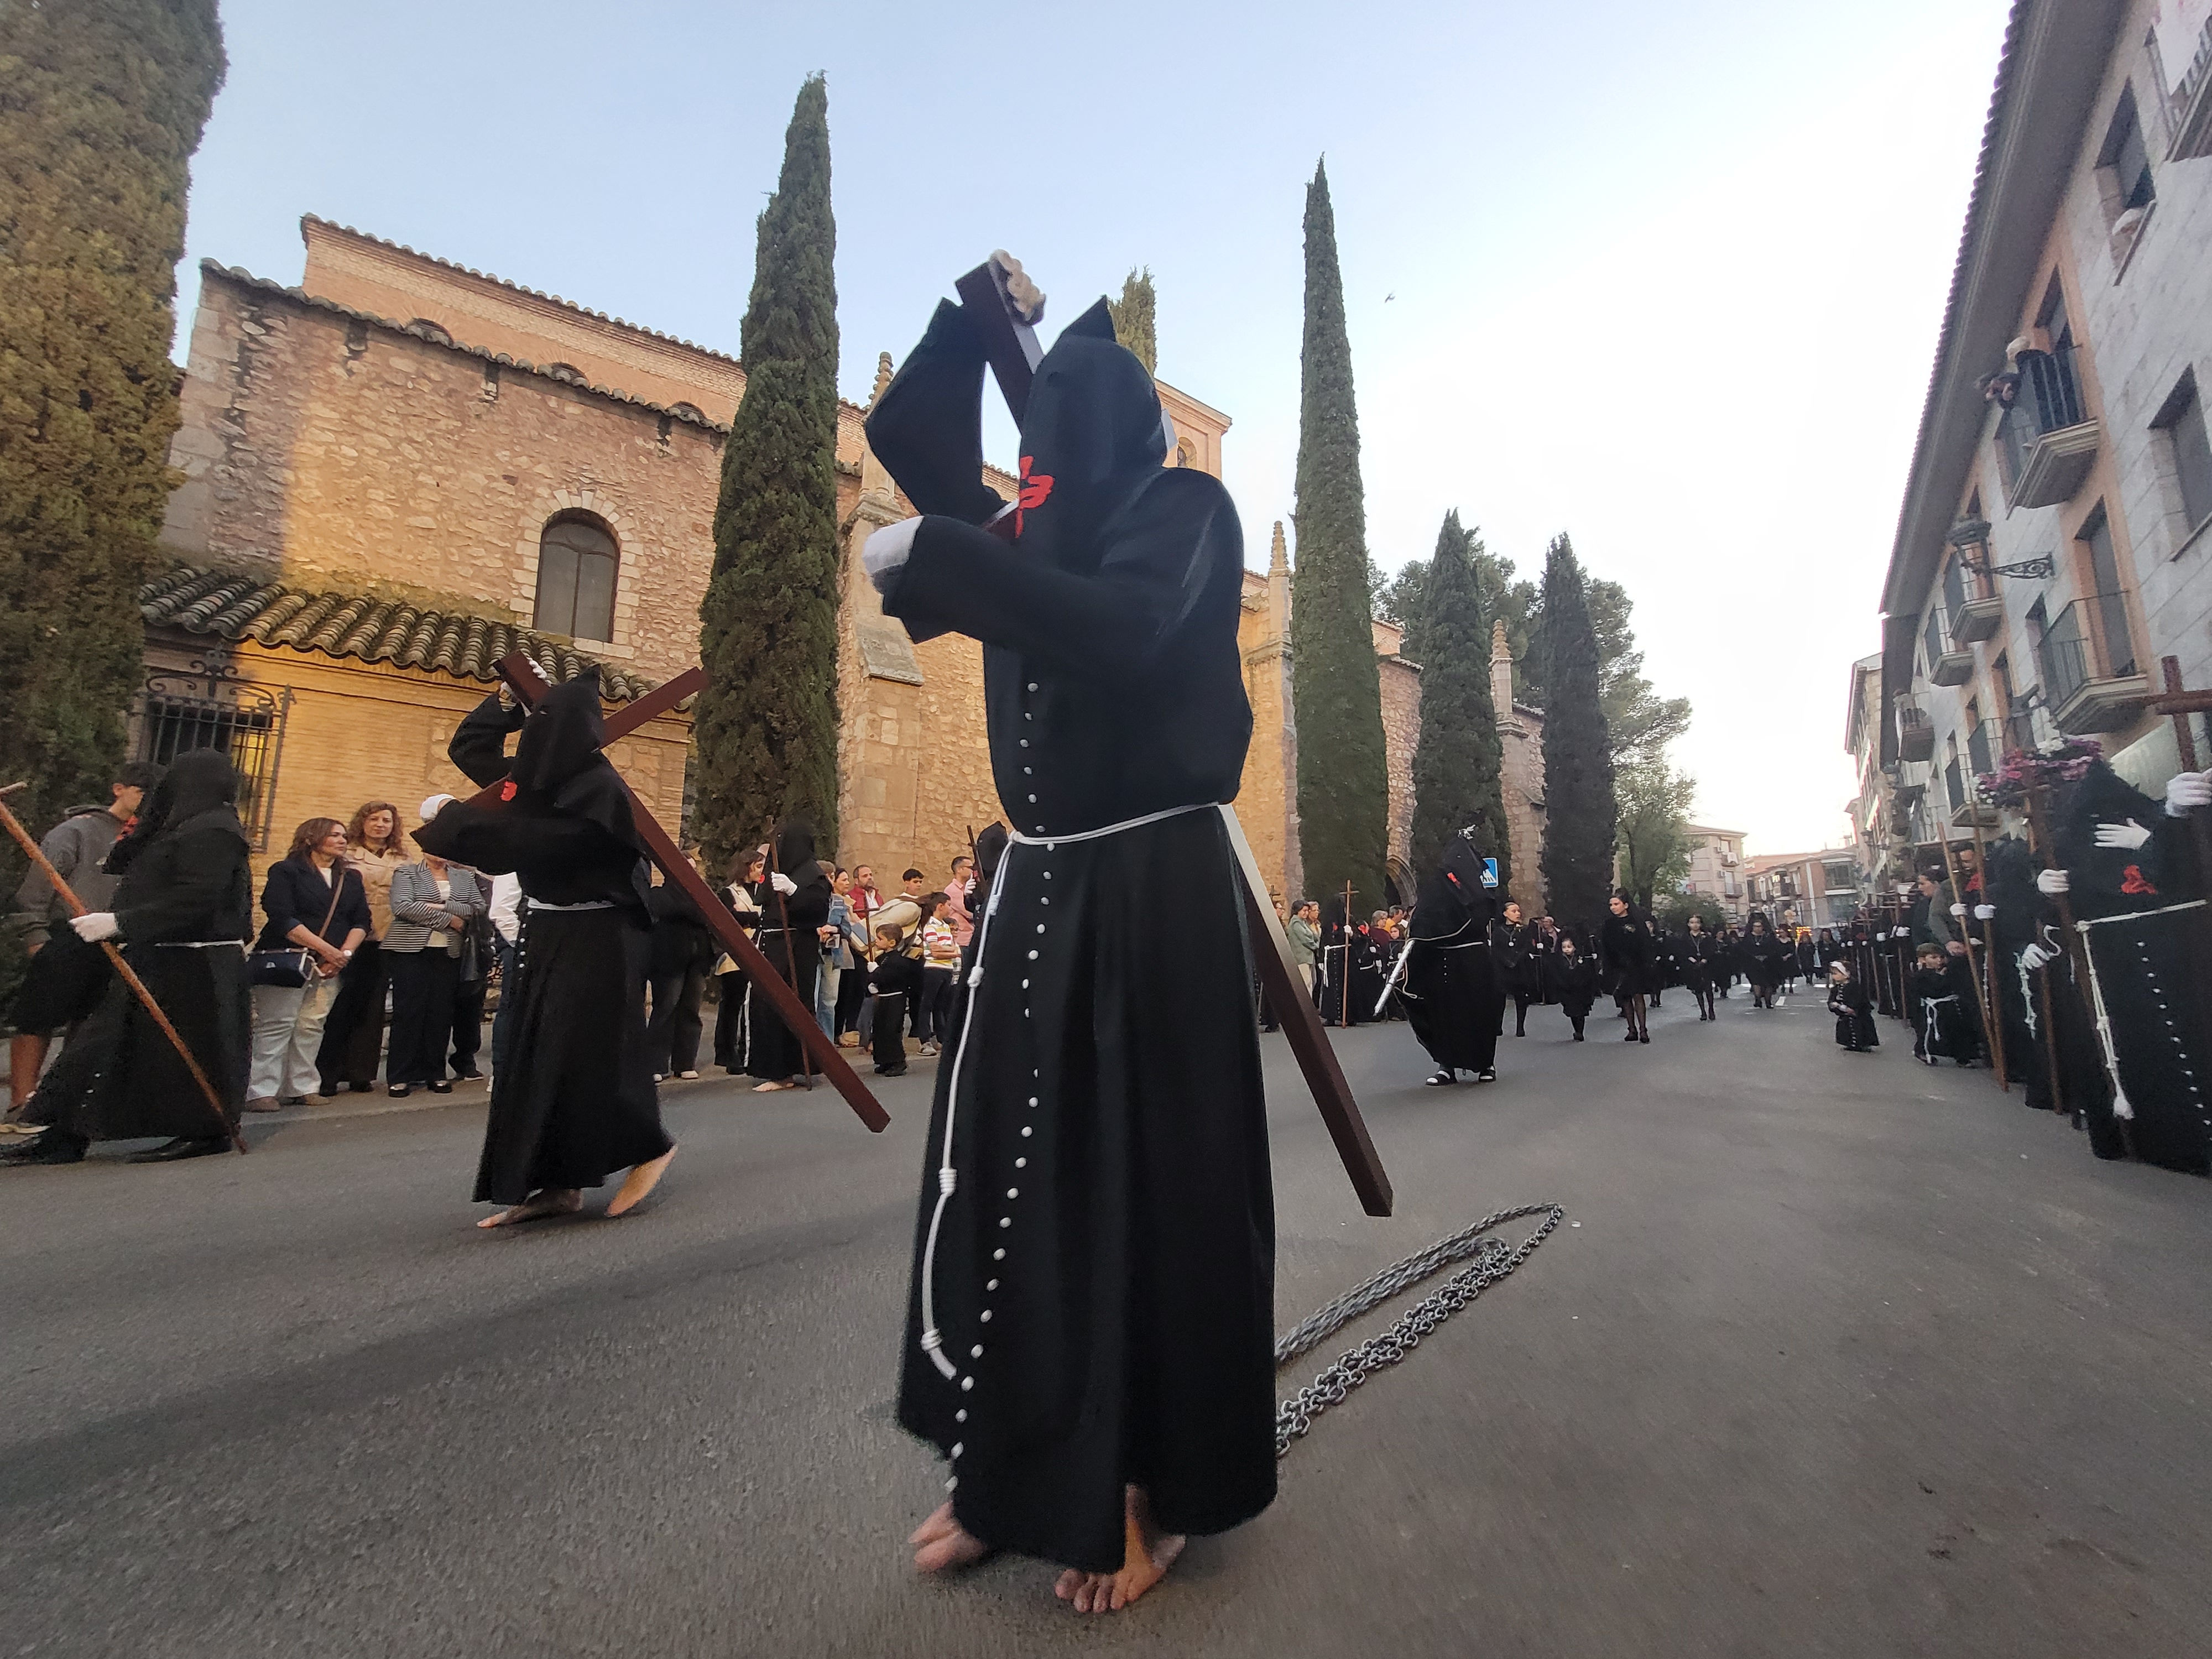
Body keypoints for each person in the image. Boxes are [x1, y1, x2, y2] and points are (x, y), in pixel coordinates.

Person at [865, 282, 1273, 1609]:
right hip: (1036, 892)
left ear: (1100, 443)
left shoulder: (1182, 517)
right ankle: (1009, 1476)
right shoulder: (1021, 536)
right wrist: (961, 309)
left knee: (1153, 1195)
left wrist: (947, 560)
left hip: (1155, 892)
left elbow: (1126, 630)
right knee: (1005, 1192)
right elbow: (906, 430)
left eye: (1044, 451)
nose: (1021, 477)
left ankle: (1154, 1484)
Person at [418, 670, 675, 1225]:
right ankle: (555, 1184)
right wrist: (505, 703)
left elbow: (542, 843)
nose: (539, 734)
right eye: (537, 723)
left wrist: (456, 824)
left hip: (603, 934)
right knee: (535, 1058)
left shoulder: (601, 791)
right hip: (547, 930)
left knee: (594, 1053)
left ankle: (650, 1145)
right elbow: (470, 749)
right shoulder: (531, 782)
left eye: (547, 724)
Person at [4, 750, 252, 1166]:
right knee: (97, 1047)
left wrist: (122, 922)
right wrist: (143, 830)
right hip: (156, 957)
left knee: (193, 1055)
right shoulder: (184, 825)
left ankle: (205, 1131)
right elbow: (126, 863)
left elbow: (197, 898)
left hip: (198, 966)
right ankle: (64, 1135)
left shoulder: (216, 829)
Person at [7, 760, 162, 1116]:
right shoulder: (77, 830)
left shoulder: (149, 839)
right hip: (71, 937)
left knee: (93, 1025)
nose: (145, 802)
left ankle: (68, 1099)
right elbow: (36, 890)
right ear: (119, 789)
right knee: (38, 1018)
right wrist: (36, 937)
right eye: (140, 792)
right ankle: (21, 1102)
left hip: (121, 940)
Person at [247, 817, 371, 1109]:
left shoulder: (350, 878)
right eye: (334, 835)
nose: (342, 840)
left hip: (332, 963)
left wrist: (343, 956)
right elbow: (282, 918)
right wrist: (327, 951)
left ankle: (303, 1085)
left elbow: (361, 920)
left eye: (343, 836)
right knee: (277, 1024)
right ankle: (260, 1090)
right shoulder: (287, 871)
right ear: (311, 838)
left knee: (312, 1025)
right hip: (288, 959)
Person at [315, 801, 412, 1096]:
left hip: (387, 938)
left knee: (372, 1008)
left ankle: (361, 1073)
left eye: (387, 820)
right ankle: (328, 1074)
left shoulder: (403, 858)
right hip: (349, 937)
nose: (381, 825)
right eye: (374, 819)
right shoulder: (347, 854)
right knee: (338, 1006)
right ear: (363, 822)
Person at [382, 827, 487, 1098]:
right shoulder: (407, 873)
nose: (439, 853)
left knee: (440, 1014)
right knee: (409, 1013)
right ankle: (400, 1076)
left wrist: (437, 906)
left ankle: (435, 1073)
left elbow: (477, 907)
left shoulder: (464, 877)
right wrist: (449, 919)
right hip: (411, 951)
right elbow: (403, 906)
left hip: (449, 952)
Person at [1400, 828, 1504, 1083]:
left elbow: (1477, 919)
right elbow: (1425, 917)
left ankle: (1485, 1064)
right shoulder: (1437, 886)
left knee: (1479, 1013)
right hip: (1442, 963)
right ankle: (1446, 1065)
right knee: (1442, 1014)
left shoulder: (1479, 893)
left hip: (1473, 964)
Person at [745, 822, 832, 1092]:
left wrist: (795, 892)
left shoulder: (812, 874)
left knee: (788, 1004)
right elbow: (761, 898)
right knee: (765, 1006)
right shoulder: (777, 869)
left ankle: (787, 1071)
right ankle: (776, 1068)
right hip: (772, 944)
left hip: (795, 945)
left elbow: (819, 909)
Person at [646, 860, 715, 1081]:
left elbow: (707, 913)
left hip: (697, 960)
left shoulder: (700, 894)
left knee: (691, 1011)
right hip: (669, 961)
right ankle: (656, 1065)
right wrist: (693, 908)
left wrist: (692, 909)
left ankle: (685, 1062)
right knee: (665, 1009)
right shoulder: (658, 894)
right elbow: (670, 908)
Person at [712, 851, 764, 1074]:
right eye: (759, 866)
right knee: (732, 1004)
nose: (762, 871)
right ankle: (726, 1052)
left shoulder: (762, 892)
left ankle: (747, 1051)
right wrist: (753, 916)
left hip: (759, 951)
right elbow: (732, 918)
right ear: (747, 867)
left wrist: (749, 916)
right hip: (734, 956)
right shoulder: (729, 892)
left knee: (750, 1005)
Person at [866, 922, 920, 1076]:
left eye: (880, 938)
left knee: (891, 1030)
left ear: (892, 942)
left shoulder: (898, 961)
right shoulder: (881, 957)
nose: (877, 941)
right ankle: (884, 1060)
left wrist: (875, 972)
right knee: (879, 1030)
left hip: (895, 999)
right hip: (882, 998)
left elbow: (886, 977)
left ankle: (898, 1062)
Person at [1600, 891, 1652, 1044]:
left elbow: (1645, 943)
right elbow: (1605, 945)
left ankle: (1643, 1030)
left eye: (1616, 904)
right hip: (1618, 965)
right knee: (1625, 997)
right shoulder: (1609, 924)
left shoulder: (1637, 921)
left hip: (1636, 964)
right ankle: (1632, 1029)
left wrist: (1645, 961)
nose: (1613, 907)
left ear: (1626, 905)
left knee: (1638, 995)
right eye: (1611, 905)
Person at [1909, 942, 1973, 1065]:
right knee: (1929, 1032)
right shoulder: (1921, 975)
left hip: (1949, 1006)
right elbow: (1932, 990)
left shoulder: (1947, 971)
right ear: (1923, 960)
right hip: (1932, 1008)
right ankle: (1923, 1051)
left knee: (1957, 1031)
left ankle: (1962, 1056)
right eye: (1934, 958)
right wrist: (1940, 978)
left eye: (1941, 957)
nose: (1939, 961)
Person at [917, 890, 961, 1055]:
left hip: (947, 969)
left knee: (940, 1006)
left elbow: (948, 947)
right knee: (927, 1004)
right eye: (948, 905)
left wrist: (949, 951)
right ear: (940, 906)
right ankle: (925, 1040)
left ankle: (942, 1038)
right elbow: (935, 950)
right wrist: (953, 952)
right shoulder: (931, 926)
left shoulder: (944, 927)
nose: (950, 908)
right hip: (934, 968)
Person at [1491, 900, 1538, 1037]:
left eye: (1518, 911)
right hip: (1503, 969)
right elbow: (1496, 949)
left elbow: (1527, 946)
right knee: (1500, 999)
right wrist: (1506, 961)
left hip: (1520, 968)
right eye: (1514, 911)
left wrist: (1516, 959)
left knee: (1521, 998)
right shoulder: (1498, 931)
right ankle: (1498, 1026)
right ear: (1505, 914)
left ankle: (1520, 1027)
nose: (1517, 913)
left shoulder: (1523, 930)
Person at [1548, 934, 1599, 1039]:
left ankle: (1580, 1032)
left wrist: (1583, 982)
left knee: (1581, 1012)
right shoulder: (1558, 960)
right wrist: (1561, 984)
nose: (1567, 950)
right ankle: (1576, 1029)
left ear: (1575, 947)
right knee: (1572, 1012)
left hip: (1581, 989)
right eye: (1564, 947)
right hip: (1566, 989)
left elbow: (1588, 973)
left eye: (1569, 947)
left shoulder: (1581, 958)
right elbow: (1555, 974)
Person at [1829, 960, 1877, 1052]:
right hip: (1846, 1015)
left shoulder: (1854, 986)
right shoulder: (1836, 988)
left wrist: (1848, 1008)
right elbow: (1832, 1000)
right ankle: (1851, 1043)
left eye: (1836, 973)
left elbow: (1859, 1000)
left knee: (1860, 1028)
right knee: (1846, 1028)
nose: (1834, 976)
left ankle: (1862, 1044)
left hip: (1859, 1014)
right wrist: (1834, 1006)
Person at [1678, 914, 1719, 1022]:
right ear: (1688, 924)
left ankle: (1711, 1009)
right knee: (1698, 989)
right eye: (1692, 922)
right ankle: (1703, 1011)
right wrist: (1692, 960)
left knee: (1708, 989)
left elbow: (1712, 949)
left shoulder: (1707, 937)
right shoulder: (1685, 937)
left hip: (1706, 965)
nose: (1695, 925)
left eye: (1697, 922)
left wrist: (1705, 959)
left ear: (1700, 924)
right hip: (1692, 965)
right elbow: (1682, 951)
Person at [1741, 914, 1786, 1010]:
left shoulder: (1769, 937)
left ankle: (1768, 1001)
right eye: (1756, 926)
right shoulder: (1748, 938)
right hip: (1753, 963)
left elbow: (1775, 949)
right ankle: (1758, 999)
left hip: (1768, 963)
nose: (1758, 928)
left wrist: (1768, 957)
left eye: (1760, 926)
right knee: (1756, 981)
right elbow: (1744, 950)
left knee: (1769, 983)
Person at [1286, 900, 1320, 1005]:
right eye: (1304, 911)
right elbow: (1306, 939)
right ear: (1297, 911)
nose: (1306, 913)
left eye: (1307, 911)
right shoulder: (1296, 923)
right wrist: (1316, 946)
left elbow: (1314, 935)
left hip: (1308, 957)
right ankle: (1306, 1006)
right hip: (1301, 957)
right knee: (1306, 984)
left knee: (1311, 982)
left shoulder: (1303, 923)